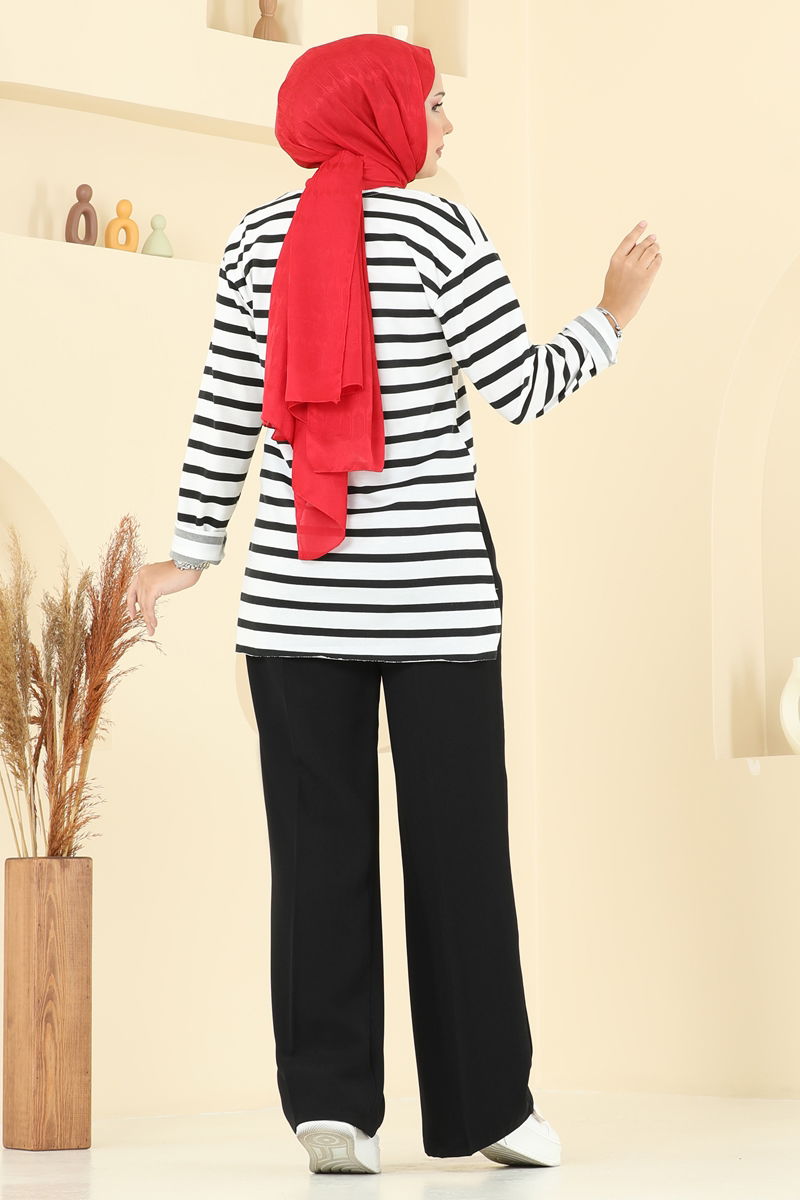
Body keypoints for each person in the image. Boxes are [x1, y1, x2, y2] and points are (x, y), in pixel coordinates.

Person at [127, 32, 661, 1175]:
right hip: (435, 609)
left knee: (314, 856)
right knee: (459, 853)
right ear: (378, 111)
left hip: (293, 608)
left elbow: (224, 409)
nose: (447, 123)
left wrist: (189, 554)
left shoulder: (254, 239)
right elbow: (521, 386)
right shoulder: (439, 230)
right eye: (433, 102)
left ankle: (330, 1112)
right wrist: (611, 314)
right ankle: (489, 1111)